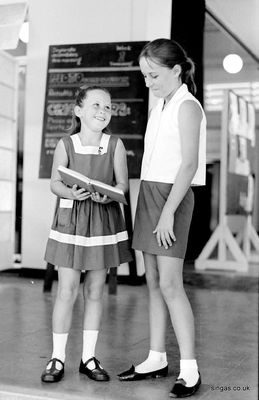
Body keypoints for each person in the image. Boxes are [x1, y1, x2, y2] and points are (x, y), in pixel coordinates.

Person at [118, 38, 206, 398]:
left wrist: (168, 212)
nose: (148, 83)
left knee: (171, 284)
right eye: (144, 76)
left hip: (174, 198)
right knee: (152, 281)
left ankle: (190, 369)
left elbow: (188, 164)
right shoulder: (160, 106)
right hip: (150, 196)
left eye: (153, 75)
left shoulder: (188, 106)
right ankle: (156, 357)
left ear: (175, 70)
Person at [41, 86, 132, 383]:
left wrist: (110, 195)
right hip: (71, 220)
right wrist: (72, 191)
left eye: (107, 107)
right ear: (78, 110)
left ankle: (88, 358)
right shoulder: (66, 143)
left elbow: (122, 185)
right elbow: (55, 183)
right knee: (66, 290)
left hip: (103, 221)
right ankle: (57, 357)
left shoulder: (115, 144)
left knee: (95, 291)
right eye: (95, 105)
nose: (102, 111)